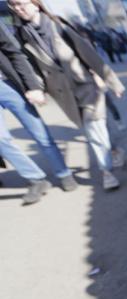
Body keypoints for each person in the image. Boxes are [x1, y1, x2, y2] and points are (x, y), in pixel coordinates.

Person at [9, 0, 125, 190]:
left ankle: (107, 172)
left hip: (85, 85)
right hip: (62, 93)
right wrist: (37, 89)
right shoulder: (22, 35)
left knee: (94, 128)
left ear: (36, 4)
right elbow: (33, 68)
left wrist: (112, 81)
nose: (18, 9)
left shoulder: (58, 25)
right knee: (92, 129)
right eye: (13, 6)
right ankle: (114, 150)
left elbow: (88, 54)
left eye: (21, 4)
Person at [0, 21, 76, 204]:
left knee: (39, 132)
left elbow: (14, 53)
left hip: (7, 85)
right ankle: (36, 178)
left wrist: (32, 86)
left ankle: (63, 173)